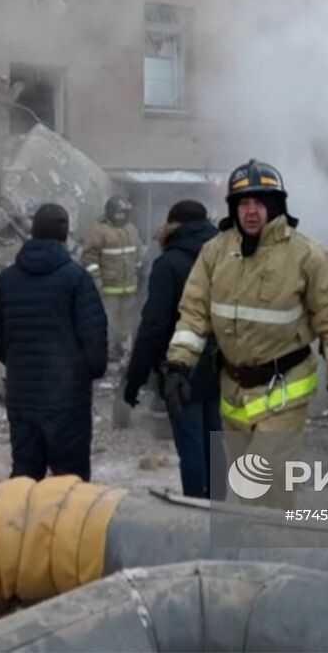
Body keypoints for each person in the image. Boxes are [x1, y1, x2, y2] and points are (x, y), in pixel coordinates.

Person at [162, 160, 328, 505]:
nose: (250, 212)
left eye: (259, 203)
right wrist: (178, 365)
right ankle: (254, 547)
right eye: (243, 203)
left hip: (284, 390)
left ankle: (273, 545)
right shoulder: (215, 252)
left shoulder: (307, 255)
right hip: (234, 389)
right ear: (233, 208)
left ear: (275, 205)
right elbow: (194, 312)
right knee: (246, 486)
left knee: (269, 483)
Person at [0, 203, 107, 481]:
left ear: (32, 231)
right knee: (70, 481)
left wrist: (20, 365)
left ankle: (23, 524)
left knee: (25, 477)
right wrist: (88, 372)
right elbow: (94, 337)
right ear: (65, 235)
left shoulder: (7, 279)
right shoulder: (77, 278)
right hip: (67, 399)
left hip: (22, 396)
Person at [123, 200, 223, 499]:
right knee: (215, 440)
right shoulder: (225, 256)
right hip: (222, 363)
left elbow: (154, 324)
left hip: (181, 366)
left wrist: (135, 377)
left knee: (191, 443)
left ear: (174, 224)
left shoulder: (169, 264)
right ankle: (221, 508)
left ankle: (196, 513)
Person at [81, 196, 142, 361]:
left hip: (129, 286)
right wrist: (97, 280)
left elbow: (137, 253)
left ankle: (121, 347)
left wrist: (139, 269)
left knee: (125, 321)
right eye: (119, 213)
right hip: (108, 287)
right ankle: (105, 351)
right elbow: (89, 258)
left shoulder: (131, 229)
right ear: (110, 213)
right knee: (108, 321)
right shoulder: (99, 231)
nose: (122, 217)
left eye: (125, 213)